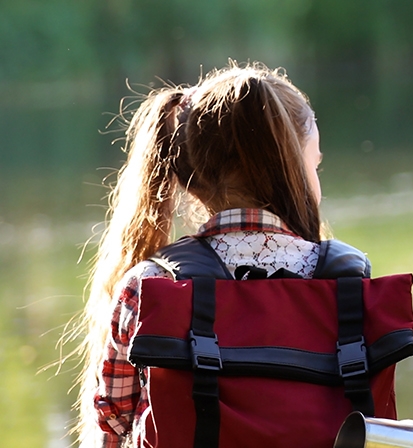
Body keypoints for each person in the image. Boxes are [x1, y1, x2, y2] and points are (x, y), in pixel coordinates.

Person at [73, 63, 339, 447]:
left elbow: (112, 429)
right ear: (292, 171)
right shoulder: (343, 280)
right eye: (315, 165)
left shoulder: (150, 286)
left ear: (193, 176)